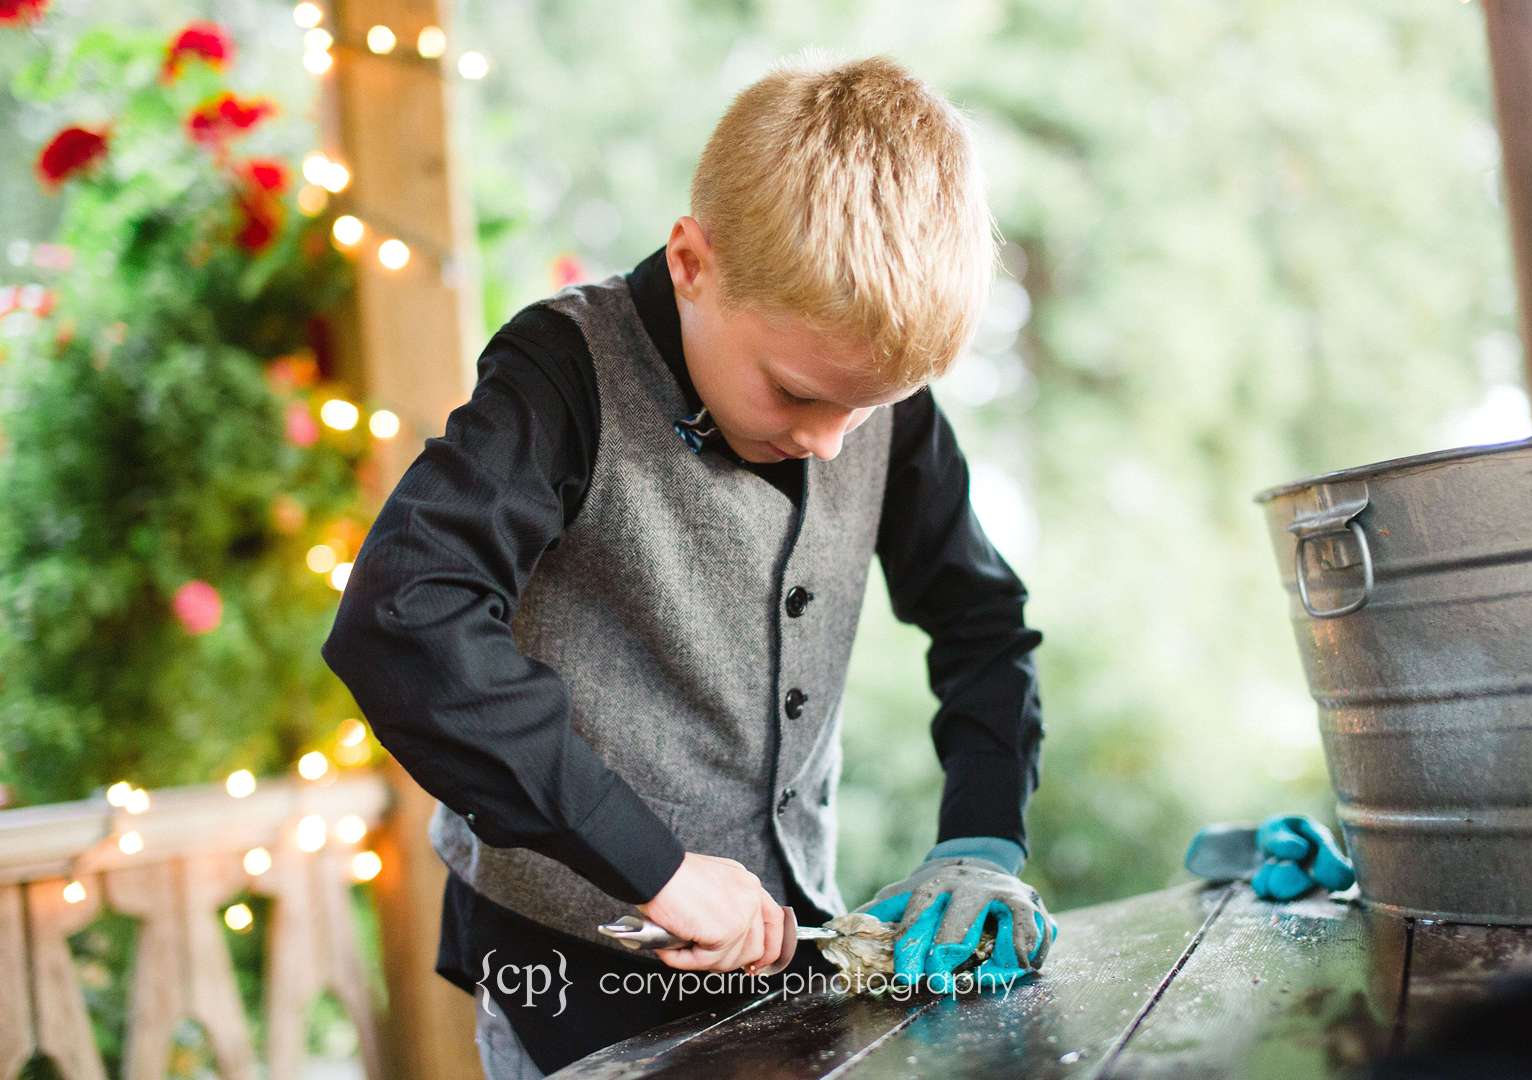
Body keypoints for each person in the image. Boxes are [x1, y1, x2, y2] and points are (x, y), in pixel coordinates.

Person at [321, 51, 1052, 1077]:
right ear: (691, 262)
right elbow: (406, 621)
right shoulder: (559, 375)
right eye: (798, 395)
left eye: (866, 409)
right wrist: (650, 868)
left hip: (783, 962)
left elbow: (982, 625)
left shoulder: (871, 393)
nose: (834, 444)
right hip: (568, 970)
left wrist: (982, 840)